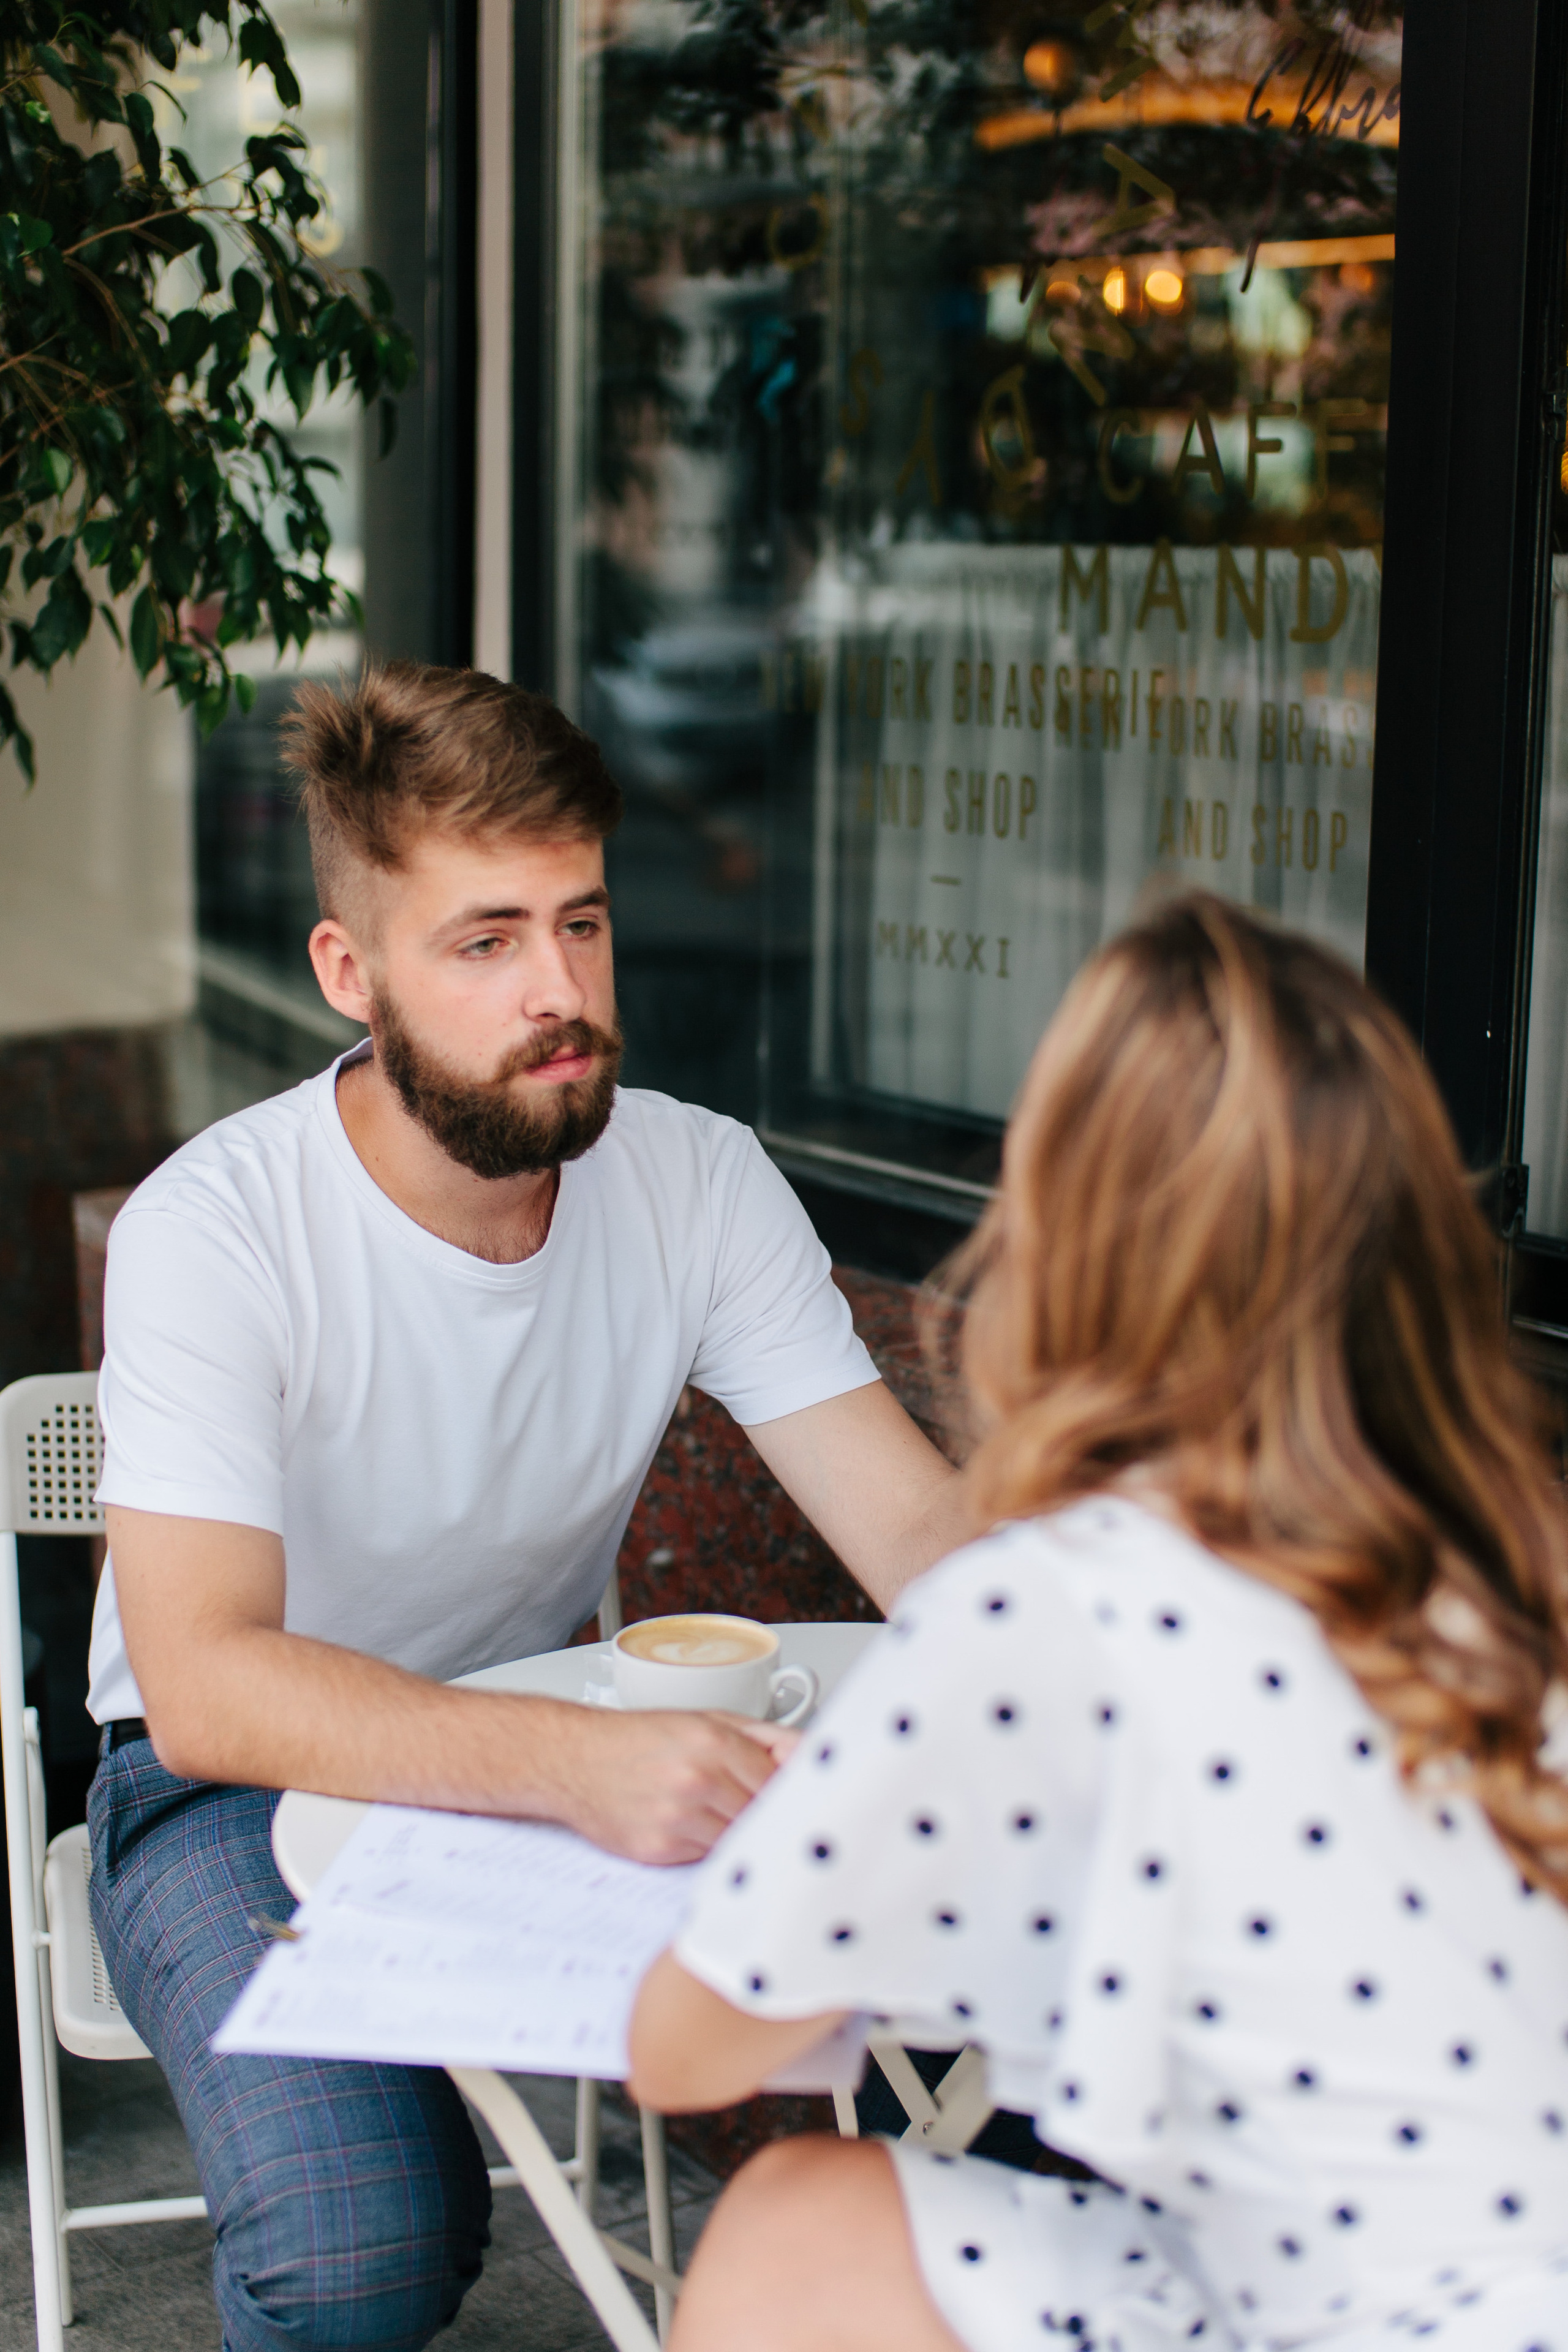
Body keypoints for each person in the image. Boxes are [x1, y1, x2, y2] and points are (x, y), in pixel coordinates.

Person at [86, 661, 966, 2352]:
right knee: (358, 2254)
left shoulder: (695, 1180)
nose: (559, 989)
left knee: (994, 2056)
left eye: (583, 922)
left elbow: (918, 1539)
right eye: (485, 942)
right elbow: (201, 1687)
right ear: (353, 972)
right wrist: (581, 1763)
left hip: (554, 1731)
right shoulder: (217, 1230)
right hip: (219, 1790)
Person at [629, 891, 1568, 2352]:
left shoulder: (1051, 1605)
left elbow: (684, 2054)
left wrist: (861, 1845)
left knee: (795, 2222)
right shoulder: (1518, 1560)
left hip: (1316, 2314)